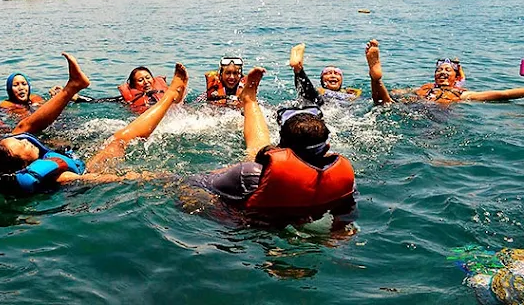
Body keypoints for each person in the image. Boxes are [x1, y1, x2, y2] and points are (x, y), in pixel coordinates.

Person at [0, 63, 189, 196]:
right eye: (21, 145)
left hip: (70, 156)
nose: (25, 140)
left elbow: (14, 135)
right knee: (121, 138)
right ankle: (171, 94)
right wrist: (154, 177)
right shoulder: (58, 178)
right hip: (89, 171)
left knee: (22, 127)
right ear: (25, 164)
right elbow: (105, 180)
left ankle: (73, 85)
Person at [185, 66, 357, 227]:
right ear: (327, 147)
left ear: (280, 146)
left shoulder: (251, 173)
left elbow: (192, 184)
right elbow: (345, 216)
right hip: (298, 225)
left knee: (253, 157)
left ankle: (249, 101)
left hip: (248, 228)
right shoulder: (344, 177)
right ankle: (250, 100)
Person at [365, 39, 524, 105]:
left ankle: (376, 78)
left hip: (429, 110)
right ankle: (376, 78)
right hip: (417, 107)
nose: (442, 72)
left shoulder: (461, 93)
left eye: (448, 70)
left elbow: (503, 94)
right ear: (435, 76)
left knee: (384, 104)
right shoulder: (425, 87)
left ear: (456, 77)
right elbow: (398, 92)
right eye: (439, 70)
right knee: (382, 101)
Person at [288, 43, 361, 106]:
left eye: (337, 73)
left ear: (341, 80)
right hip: (320, 106)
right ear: (322, 80)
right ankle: (298, 69)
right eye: (328, 73)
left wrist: (355, 95)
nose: (333, 75)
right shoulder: (320, 91)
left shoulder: (349, 93)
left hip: (343, 111)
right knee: (312, 97)